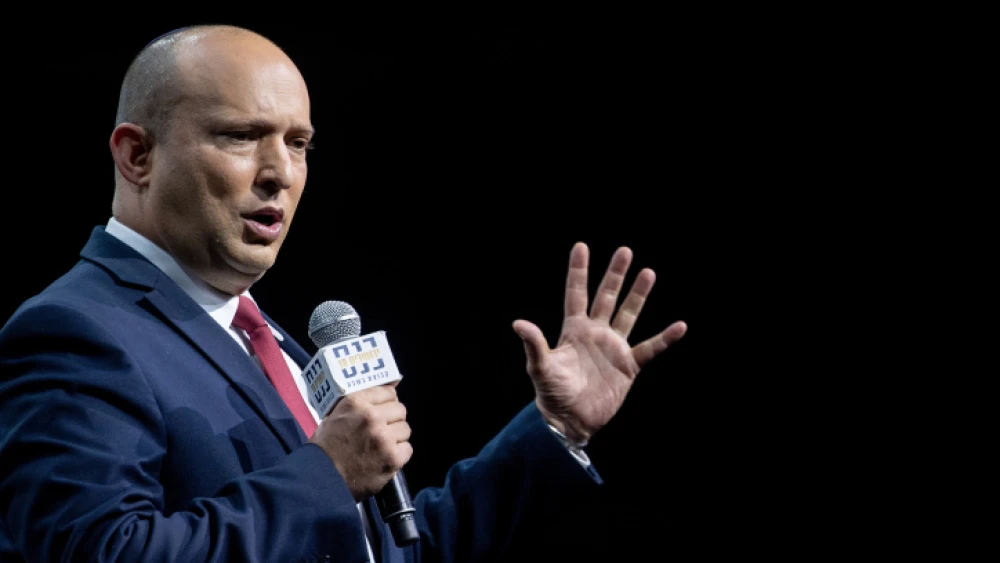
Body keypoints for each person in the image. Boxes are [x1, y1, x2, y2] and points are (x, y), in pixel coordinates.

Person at [0, 24, 687, 562]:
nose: (279, 173)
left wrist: (554, 429)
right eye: (242, 136)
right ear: (136, 154)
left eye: (299, 144)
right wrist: (326, 473)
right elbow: (103, 551)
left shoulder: (263, 336)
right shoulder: (76, 331)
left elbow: (388, 550)